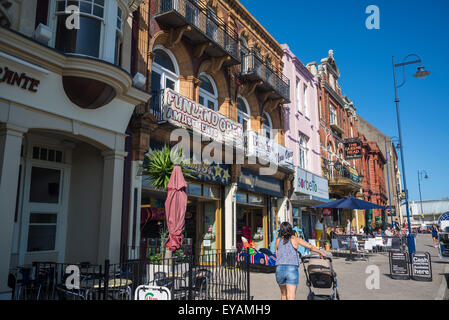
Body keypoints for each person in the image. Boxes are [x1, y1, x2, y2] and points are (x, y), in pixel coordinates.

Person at [275, 222, 326, 300]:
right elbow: (310, 247)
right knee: (291, 296)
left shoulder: (278, 240)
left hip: (279, 268)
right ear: (290, 229)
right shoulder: (295, 239)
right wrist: (320, 252)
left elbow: (277, 254)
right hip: (291, 268)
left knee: (284, 295)